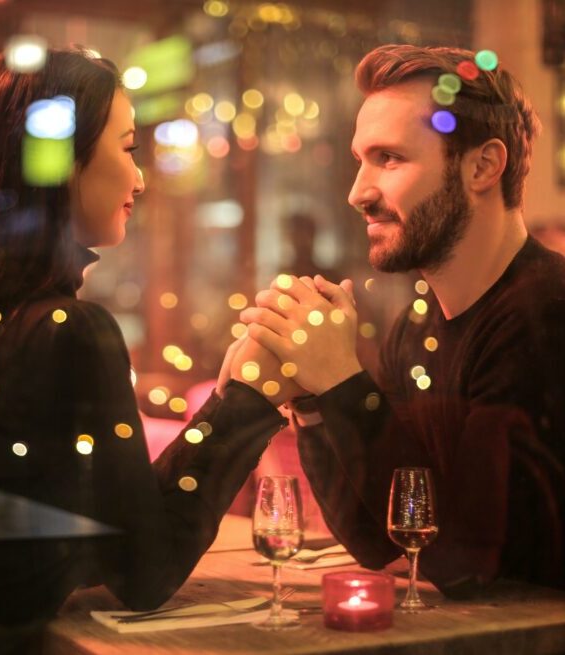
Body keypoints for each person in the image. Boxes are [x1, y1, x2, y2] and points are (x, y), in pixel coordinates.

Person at [0, 49, 294, 654]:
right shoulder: (69, 330)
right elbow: (144, 572)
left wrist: (226, 399)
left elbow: (109, 534)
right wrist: (250, 396)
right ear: (65, 164)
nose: (140, 177)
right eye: (128, 147)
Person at [233, 44, 565, 597]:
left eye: (389, 158)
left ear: (483, 166)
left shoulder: (546, 314)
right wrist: (313, 401)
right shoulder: (417, 327)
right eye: (360, 160)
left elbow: (468, 562)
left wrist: (343, 382)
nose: (358, 192)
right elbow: (382, 540)